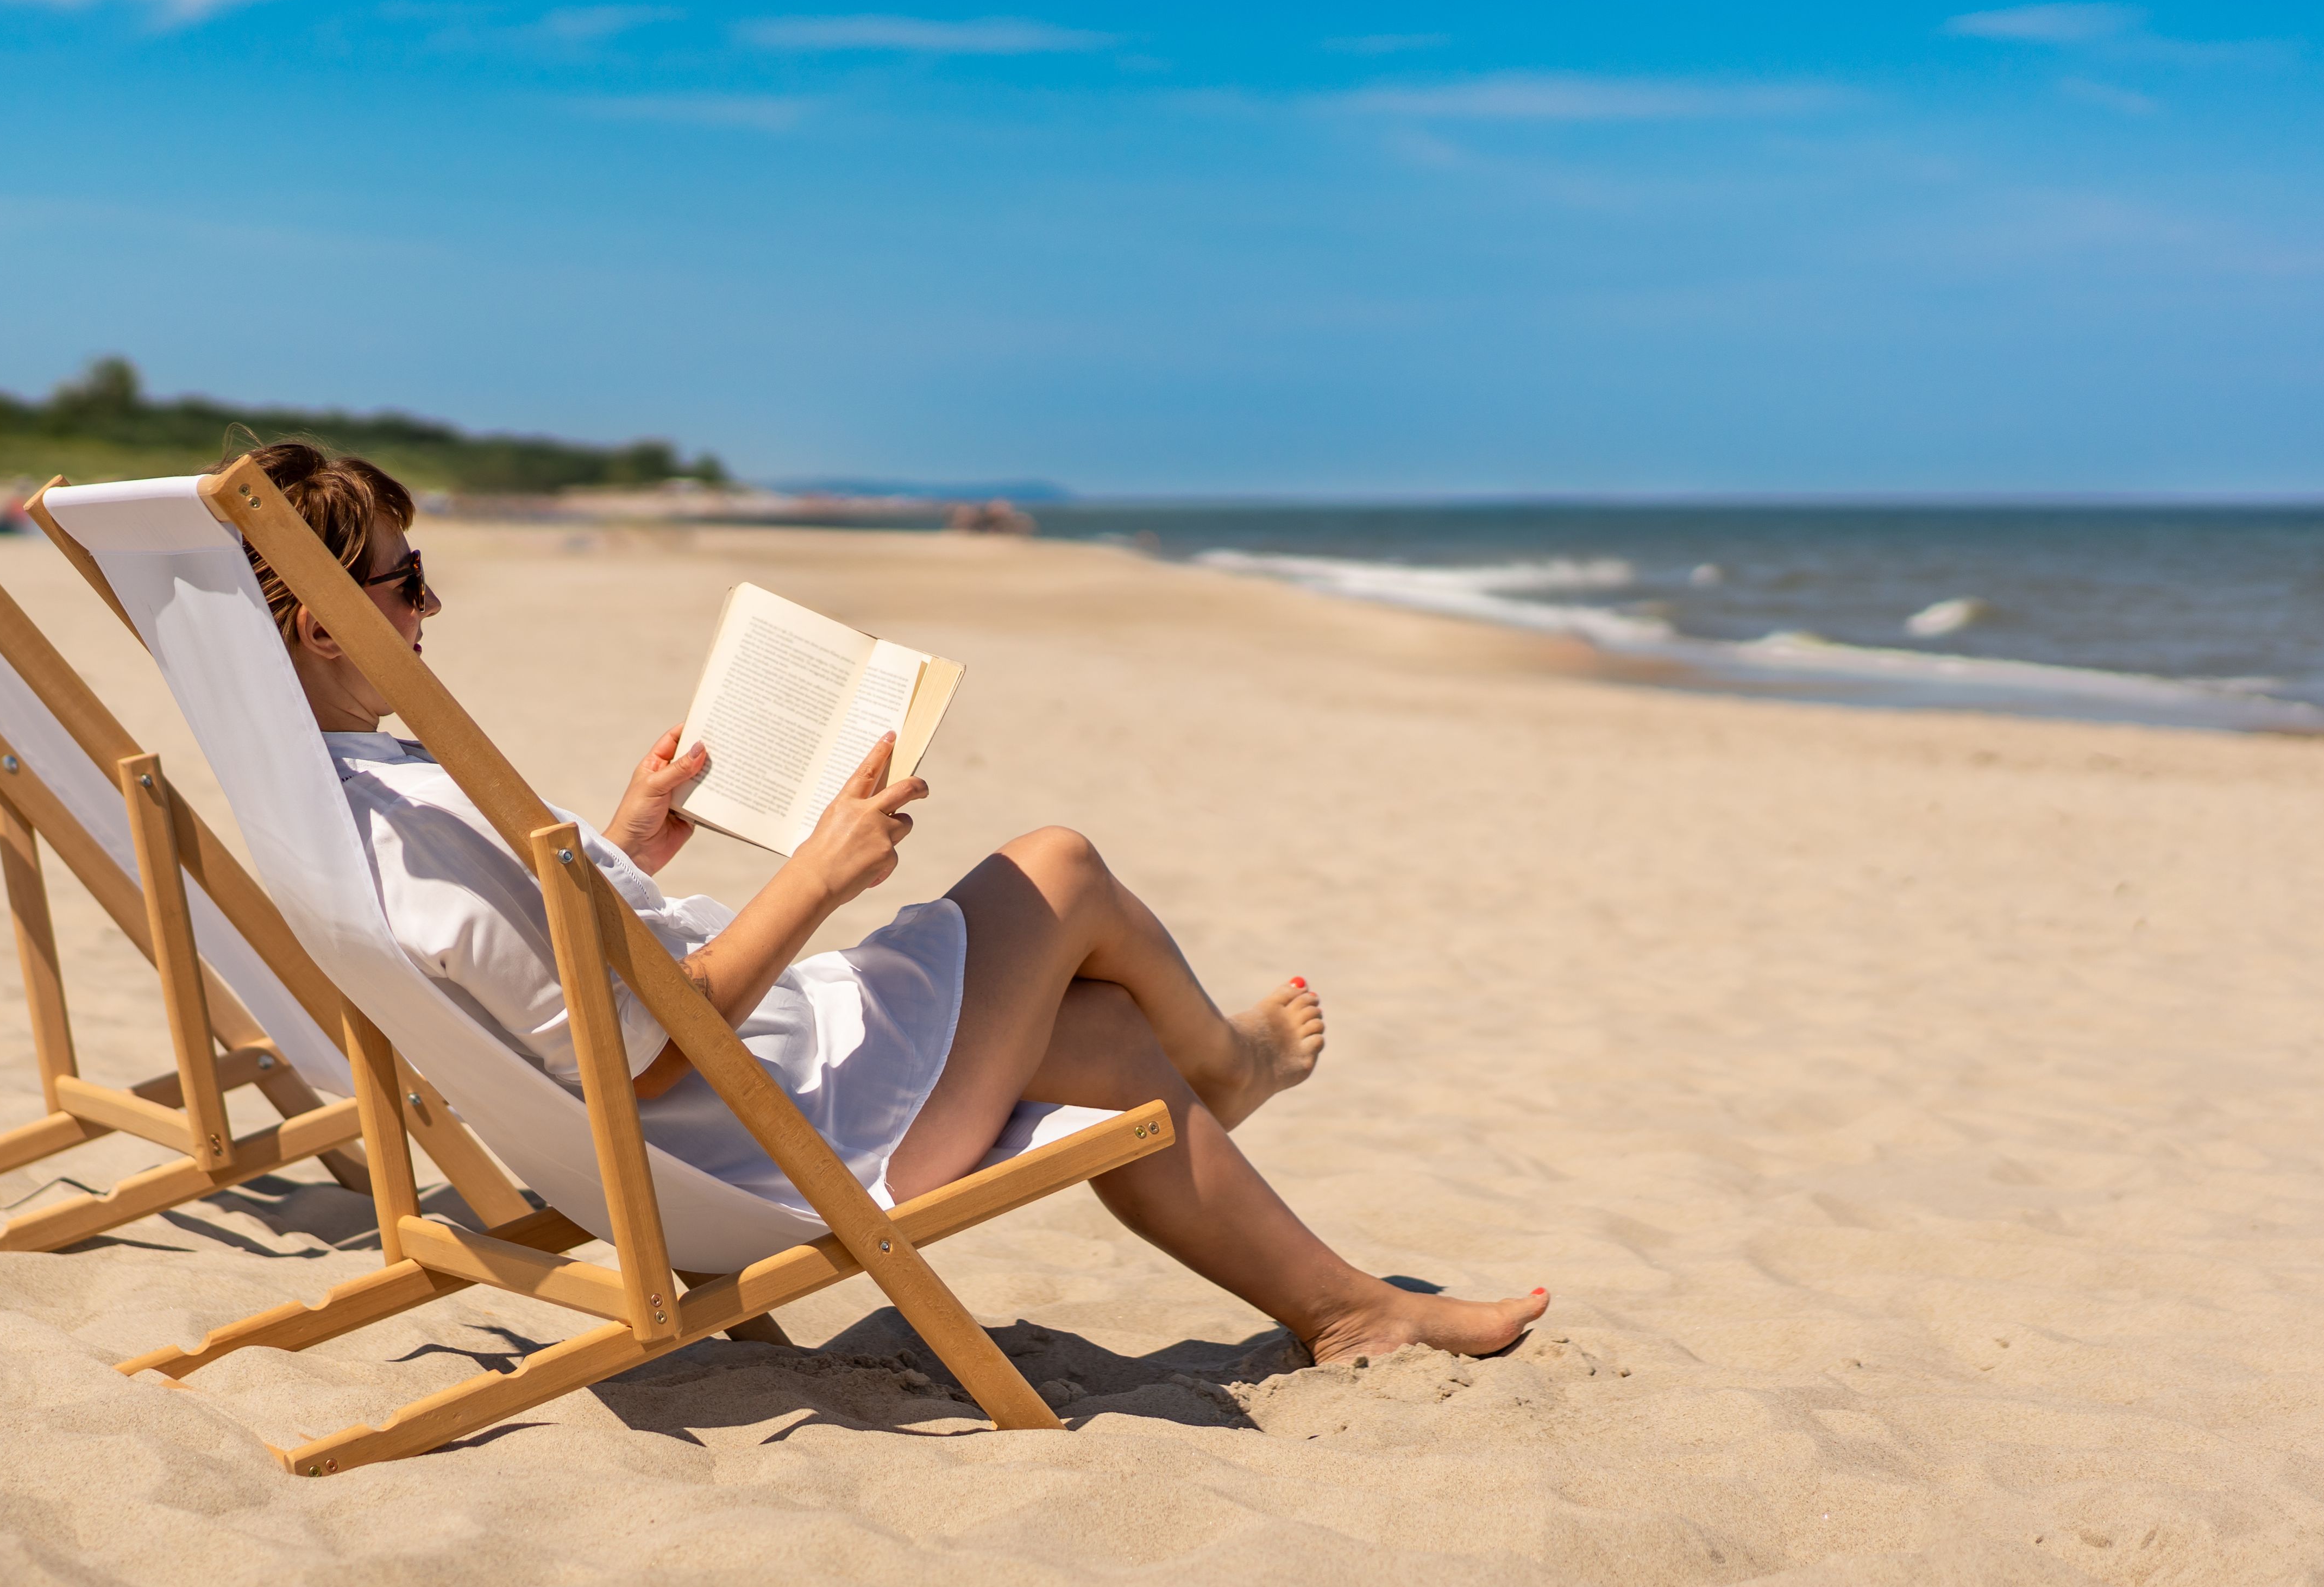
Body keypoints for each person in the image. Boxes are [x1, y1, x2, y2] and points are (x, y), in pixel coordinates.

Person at [242, 439, 1546, 1366]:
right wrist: (815, 875)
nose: (430, 604)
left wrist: (633, 840)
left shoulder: (363, 794)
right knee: (1060, 864)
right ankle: (1236, 1058)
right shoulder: (417, 830)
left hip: (742, 1097)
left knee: (1115, 1057)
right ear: (317, 628)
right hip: (771, 1134)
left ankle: (1345, 1309)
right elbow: (635, 1050)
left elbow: (562, 971)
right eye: (405, 583)